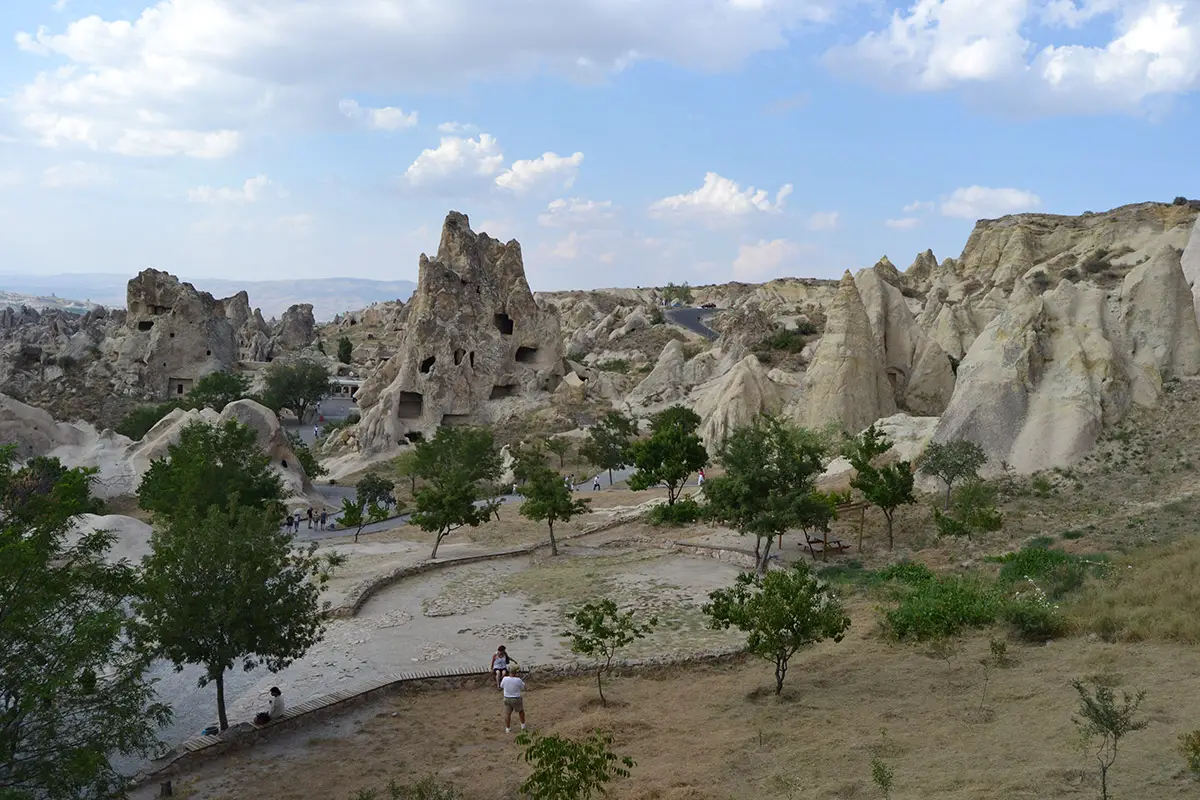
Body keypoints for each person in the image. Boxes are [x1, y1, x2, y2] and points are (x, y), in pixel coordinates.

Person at [500, 667, 526, 733]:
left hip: (506, 698)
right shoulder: (518, 680)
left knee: (507, 714)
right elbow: (523, 686)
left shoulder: (505, 679)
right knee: (521, 711)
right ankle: (523, 725)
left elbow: (501, 686)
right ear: (516, 673)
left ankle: (507, 728)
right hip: (516, 698)